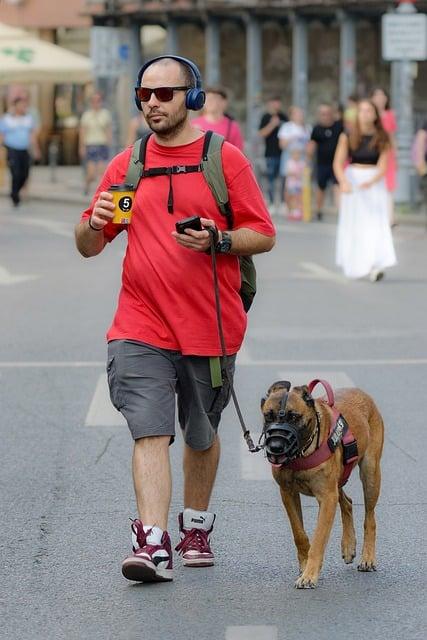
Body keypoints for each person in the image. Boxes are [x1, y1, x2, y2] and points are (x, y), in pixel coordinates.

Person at [74, 55, 275, 584]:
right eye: (145, 95)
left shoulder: (223, 160)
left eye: (164, 94)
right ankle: (153, 542)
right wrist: (93, 224)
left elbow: (264, 232)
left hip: (209, 321)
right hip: (139, 323)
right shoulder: (129, 164)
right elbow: (90, 246)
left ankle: (197, 525)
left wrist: (220, 238)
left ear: (192, 97)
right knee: (149, 430)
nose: (153, 104)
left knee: (200, 433)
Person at [333, 99, 397, 282]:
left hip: (374, 183)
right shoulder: (347, 135)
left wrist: (371, 181)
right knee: (355, 223)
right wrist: (344, 181)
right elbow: (338, 162)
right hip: (353, 180)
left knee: (375, 223)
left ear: (375, 114)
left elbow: (383, 165)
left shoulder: (382, 136)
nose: (365, 114)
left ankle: (377, 263)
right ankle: (355, 261)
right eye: (362, 110)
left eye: (369, 110)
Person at [0, 96, 41, 206]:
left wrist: (36, 149)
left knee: (25, 173)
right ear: (15, 106)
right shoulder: (7, 119)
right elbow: (2, 135)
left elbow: (32, 135)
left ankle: (16, 191)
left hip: (24, 149)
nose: (24, 107)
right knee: (16, 173)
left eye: (25, 105)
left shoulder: (28, 119)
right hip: (12, 149)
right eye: (22, 105)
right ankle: (14, 195)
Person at [308, 103, 344, 221]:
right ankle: (319, 210)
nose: (325, 116)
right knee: (320, 187)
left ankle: (341, 212)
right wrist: (307, 159)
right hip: (321, 163)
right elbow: (312, 145)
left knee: (337, 186)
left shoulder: (339, 126)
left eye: (328, 113)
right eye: (322, 114)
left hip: (337, 163)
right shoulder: (317, 128)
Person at [371, 87, 398, 226]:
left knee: (388, 185)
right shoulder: (369, 114)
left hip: (387, 154)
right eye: (377, 95)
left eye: (383, 96)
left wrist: (395, 153)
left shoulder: (390, 115)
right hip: (372, 153)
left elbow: (392, 136)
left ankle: (389, 218)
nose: (380, 99)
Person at [277, 106, 311, 213]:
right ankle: (286, 204)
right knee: (288, 182)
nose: (299, 116)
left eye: (300, 114)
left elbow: (310, 145)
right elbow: (282, 144)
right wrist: (293, 137)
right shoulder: (287, 127)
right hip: (289, 158)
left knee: (301, 184)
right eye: (296, 114)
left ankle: (299, 206)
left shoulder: (307, 128)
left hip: (302, 159)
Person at [191, 85, 244, 151]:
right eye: (207, 99)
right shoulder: (193, 125)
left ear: (224, 102)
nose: (210, 102)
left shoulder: (232, 126)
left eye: (214, 99)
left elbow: (238, 152)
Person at [79, 92, 112, 195]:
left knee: (102, 172)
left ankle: (100, 193)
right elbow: (83, 132)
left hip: (102, 144)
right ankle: (87, 185)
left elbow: (108, 130)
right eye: (94, 101)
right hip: (91, 144)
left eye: (98, 100)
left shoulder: (105, 114)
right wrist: (81, 146)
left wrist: (109, 143)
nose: (96, 103)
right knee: (91, 173)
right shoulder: (87, 115)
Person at [258, 97, 288, 211]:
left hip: (283, 154)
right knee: (270, 178)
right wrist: (272, 125)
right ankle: (271, 202)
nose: (276, 105)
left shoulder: (284, 117)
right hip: (270, 153)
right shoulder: (266, 117)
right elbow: (261, 133)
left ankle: (282, 202)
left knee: (283, 179)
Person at [285, 147, 305, 221]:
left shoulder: (302, 163)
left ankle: (297, 211)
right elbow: (289, 173)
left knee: (298, 198)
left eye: (298, 154)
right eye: (295, 154)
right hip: (291, 184)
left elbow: (304, 173)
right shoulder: (290, 162)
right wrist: (295, 174)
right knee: (291, 198)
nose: (296, 156)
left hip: (299, 184)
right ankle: (291, 211)